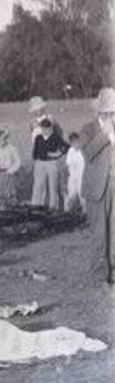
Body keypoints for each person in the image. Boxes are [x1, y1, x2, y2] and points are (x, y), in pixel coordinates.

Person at [78, 87, 115, 283]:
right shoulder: (87, 129)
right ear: (99, 112)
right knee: (99, 234)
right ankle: (99, 275)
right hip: (96, 189)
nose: (110, 116)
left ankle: (113, 271)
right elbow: (87, 154)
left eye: (113, 112)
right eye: (107, 112)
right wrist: (104, 135)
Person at [31, 117, 68, 210]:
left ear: (51, 128)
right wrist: (35, 161)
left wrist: (57, 154)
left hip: (51, 163)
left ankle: (53, 206)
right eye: (42, 128)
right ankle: (35, 205)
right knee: (38, 185)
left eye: (46, 128)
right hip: (39, 163)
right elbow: (35, 151)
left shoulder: (55, 137)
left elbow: (67, 147)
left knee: (52, 184)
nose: (44, 131)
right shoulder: (38, 138)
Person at [0, 130, 22, 200]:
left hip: (9, 173)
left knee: (10, 192)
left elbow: (18, 162)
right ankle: (2, 199)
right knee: (1, 191)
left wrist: (11, 171)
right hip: (0, 172)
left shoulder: (12, 148)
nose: (0, 141)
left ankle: (11, 200)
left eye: (2, 139)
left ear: (6, 139)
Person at [65, 132, 86, 213]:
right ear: (71, 143)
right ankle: (68, 211)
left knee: (82, 194)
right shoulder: (70, 151)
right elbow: (68, 164)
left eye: (76, 142)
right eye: (73, 143)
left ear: (79, 141)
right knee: (71, 194)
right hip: (73, 176)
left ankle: (84, 211)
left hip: (82, 176)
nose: (75, 144)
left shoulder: (83, 150)